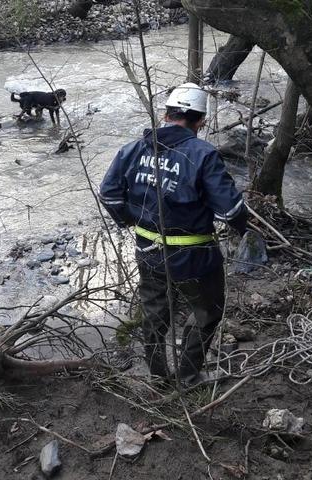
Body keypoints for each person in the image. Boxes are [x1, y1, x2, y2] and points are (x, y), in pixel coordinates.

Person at [98, 82, 247, 386]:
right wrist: (246, 232)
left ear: (166, 113)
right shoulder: (202, 154)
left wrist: (131, 220)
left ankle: (158, 377)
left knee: (154, 315)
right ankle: (189, 375)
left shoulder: (136, 147)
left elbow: (110, 194)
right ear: (201, 120)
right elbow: (230, 211)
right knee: (207, 311)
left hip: (148, 252)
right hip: (196, 258)